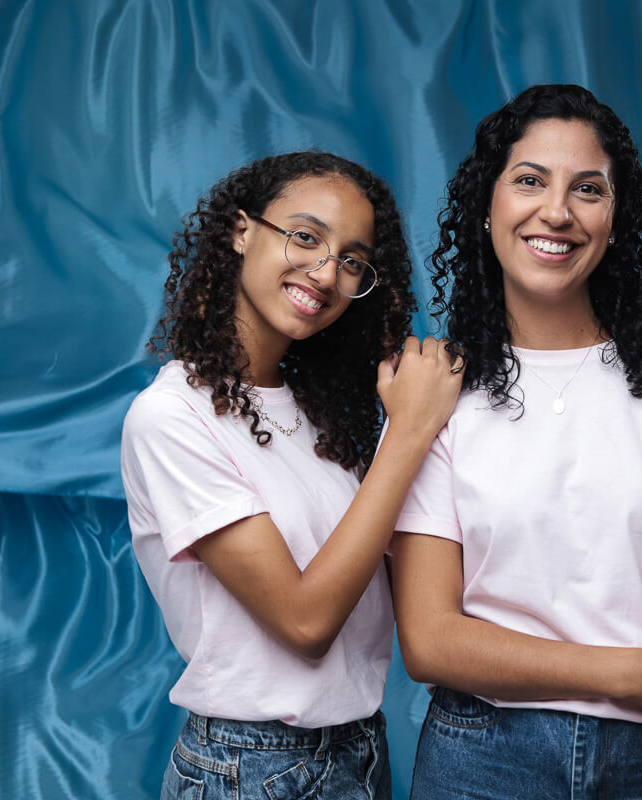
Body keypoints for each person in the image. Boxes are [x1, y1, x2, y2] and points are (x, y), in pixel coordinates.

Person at [389, 84, 642, 799]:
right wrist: (634, 675)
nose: (557, 212)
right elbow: (429, 640)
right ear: (487, 204)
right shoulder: (436, 389)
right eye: (529, 180)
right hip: (483, 759)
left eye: (587, 189)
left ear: (616, 217)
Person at [120, 151, 463, 799]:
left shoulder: (320, 412)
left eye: (353, 260)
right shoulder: (171, 416)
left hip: (360, 749)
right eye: (306, 237)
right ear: (242, 231)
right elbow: (305, 623)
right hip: (254, 766)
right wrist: (411, 432)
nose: (327, 272)